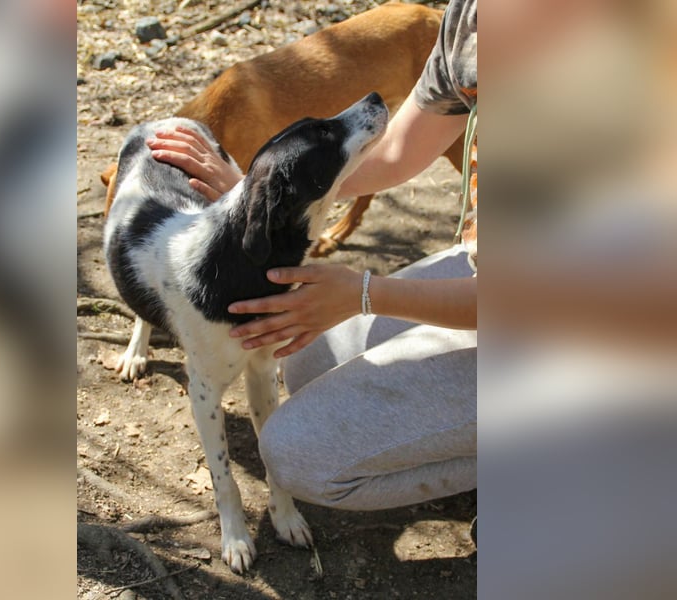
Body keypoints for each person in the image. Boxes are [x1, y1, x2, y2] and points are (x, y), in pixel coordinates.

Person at [147, 0, 477, 512]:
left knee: (298, 459)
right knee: (304, 361)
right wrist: (251, 193)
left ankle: (564, 463)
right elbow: (395, 152)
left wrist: (366, 294)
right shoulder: (471, 19)